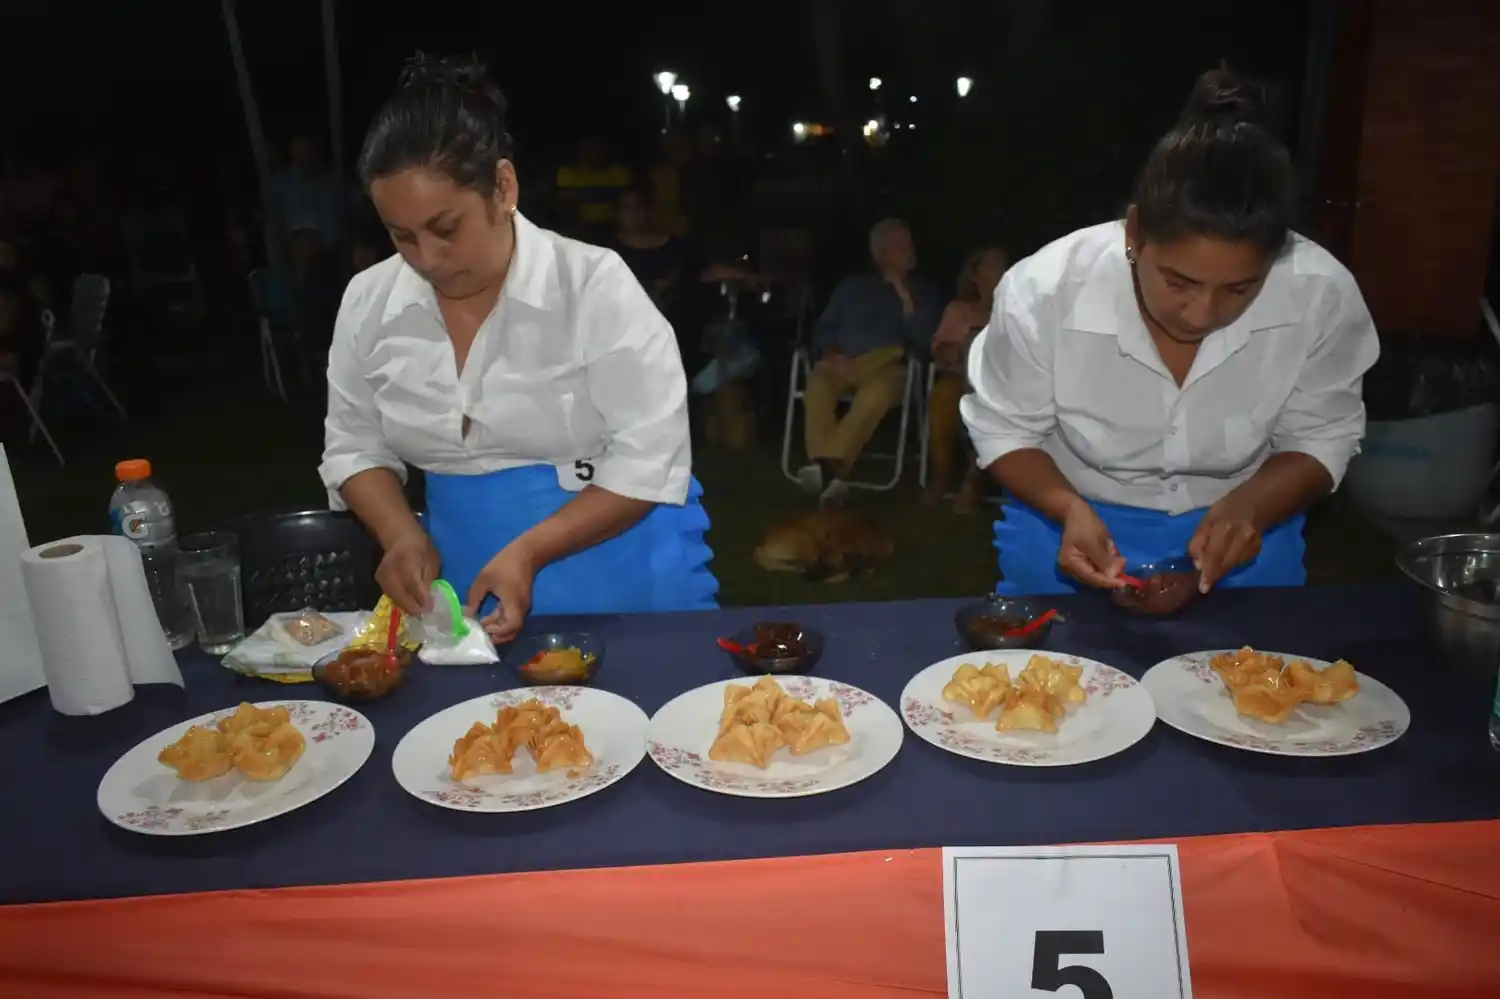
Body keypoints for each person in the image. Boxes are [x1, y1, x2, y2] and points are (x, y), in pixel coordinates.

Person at [319, 54, 718, 643]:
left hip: (628, 581)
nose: (426, 258)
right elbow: (354, 445)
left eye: (445, 228)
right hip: (469, 597)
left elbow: (648, 459)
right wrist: (401, 535)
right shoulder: (369, 303)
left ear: (502, 187)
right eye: (401, 236)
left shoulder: (591, 286)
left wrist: (529, 552)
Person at [962, 67, 1379, 596]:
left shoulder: (1321, 293)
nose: (1202, 313)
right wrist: (1067, 508)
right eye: (1178, 281)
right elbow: (1005, 430)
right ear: (1135, 233)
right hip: (1066, 520)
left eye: (1240, 289)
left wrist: (1250, 507)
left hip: (1246, 531)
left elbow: (1323, 434)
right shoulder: (1044, 291)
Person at [796, 218, 942, 506]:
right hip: (843, 361)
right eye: (901, 246)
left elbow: (926, 340)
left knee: (876, 393)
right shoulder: (852, 287)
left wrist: (904, 296)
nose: (911, 251)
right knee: (818, 386)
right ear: (881, 254)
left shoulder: (923, 292)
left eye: (910, 245)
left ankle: (826, 468)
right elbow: (824, 328)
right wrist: (830, 352)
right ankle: (833, 475)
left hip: (890, 366)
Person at [926, 245, 1009, 512]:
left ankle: (973, 477)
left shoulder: (1016, 306)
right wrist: (962, 349)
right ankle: (943, 473)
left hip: (1003, 386)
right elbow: (940, 351)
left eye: (1003, 264)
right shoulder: (959, 310)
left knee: (991, 405)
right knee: (943, 395)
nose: (1001, 269)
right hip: (961, 377)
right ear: (975, 273)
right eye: (993, 264)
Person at [554, 136, 632, 244]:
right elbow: (568, 211)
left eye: (597, 147)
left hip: (613, 227)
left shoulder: (619, 173)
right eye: (589, 147)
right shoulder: (570, 173)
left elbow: (626, 207)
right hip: (581, 227)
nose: (593, 152)